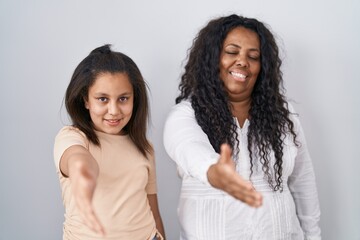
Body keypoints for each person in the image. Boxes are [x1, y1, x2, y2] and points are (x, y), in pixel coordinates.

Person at [163, 14, 321, 240]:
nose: (242, 61)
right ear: (212, 58)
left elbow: (303, 182)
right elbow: (189, 147)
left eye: (253, 56)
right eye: (232, 52)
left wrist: (313, 236)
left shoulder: (283, 115)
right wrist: (215, 171)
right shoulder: (186, 115)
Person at [54, 44, 165, 240]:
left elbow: (154, 212)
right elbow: (76, 158)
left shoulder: (144, 147)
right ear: (86, 100)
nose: (114, 110)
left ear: (134, 99)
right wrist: (83, 173)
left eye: (123, 99)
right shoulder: (72, 137)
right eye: (103, 99)